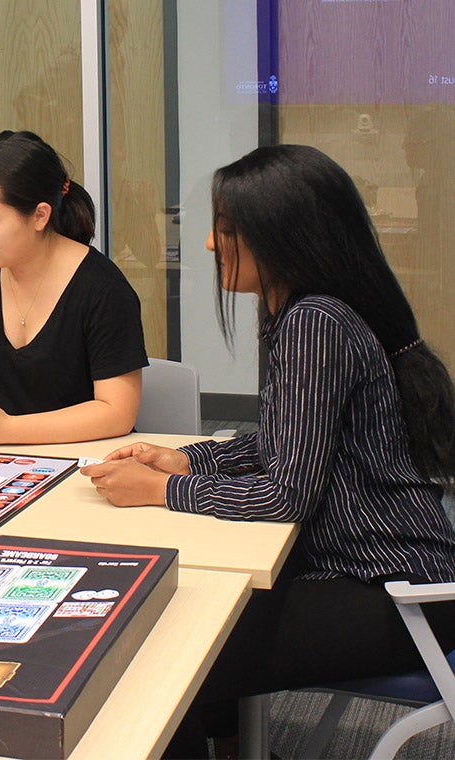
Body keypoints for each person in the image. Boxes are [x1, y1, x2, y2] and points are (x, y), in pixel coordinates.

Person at [82, 144, 455, 756]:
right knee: (188, 618)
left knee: (162, 653)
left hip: (393, 591)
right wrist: (190, 460)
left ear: (285, 238)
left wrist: (164, 490)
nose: (210, 244)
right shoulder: (306, 314)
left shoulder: (315, 323)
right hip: (373, 570)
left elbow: (286, 496)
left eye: (227, 230)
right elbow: (289, 439)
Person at [0, 130, 147, 446]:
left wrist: (5, 430)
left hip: (80, 455)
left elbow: (116, 412)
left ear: (40, 215)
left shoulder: (103, 289)